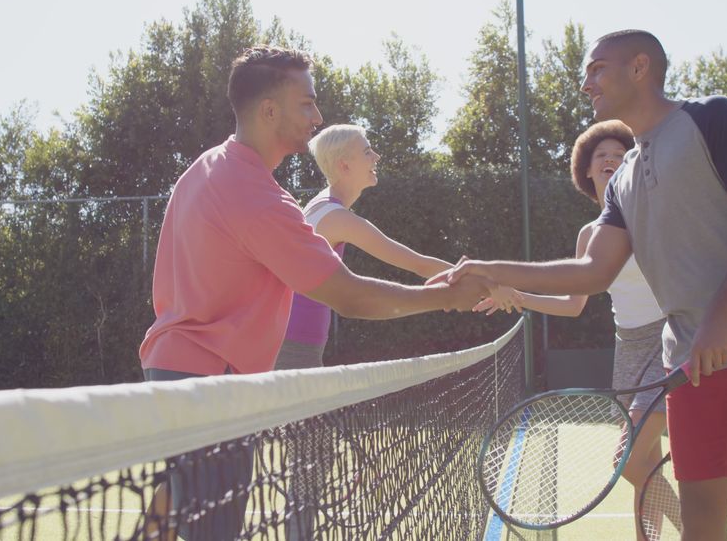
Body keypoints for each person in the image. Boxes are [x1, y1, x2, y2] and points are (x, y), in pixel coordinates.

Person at [434, 30, 727, 541]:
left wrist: (720, 315)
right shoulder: (621, 184)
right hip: (690, 365)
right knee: (702, 519)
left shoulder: (713, 118)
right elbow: (591, 272)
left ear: (640, 68)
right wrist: (492, 270)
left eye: (597, 68)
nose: (586, 83)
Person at [138, 45, 493, 540]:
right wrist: (443, 298)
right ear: (269, 111)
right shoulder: (257, 197)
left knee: (170, 513)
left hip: (179, 369)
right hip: (212, 382)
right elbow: (349, 295)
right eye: (306, 103)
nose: (317, 116)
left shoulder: (207, 167)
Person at [475, 119, 671, 539]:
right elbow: (572, 304)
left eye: (620, 155)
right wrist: (518, 296)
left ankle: (697, 529)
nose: (611, 160)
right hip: (629, 346)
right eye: (602, 156)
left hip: (667, 339)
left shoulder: (654, 215)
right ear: (587, 169)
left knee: (632, 462)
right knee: (647, 463)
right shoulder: (590, 234)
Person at [275, 124, 456, 371]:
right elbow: (418, 264)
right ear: (344, 165)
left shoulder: (319, 205)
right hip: (294, 347)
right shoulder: (337, 218)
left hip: (291, 342)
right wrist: (483, 282)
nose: (376, 157)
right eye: (367, 151)